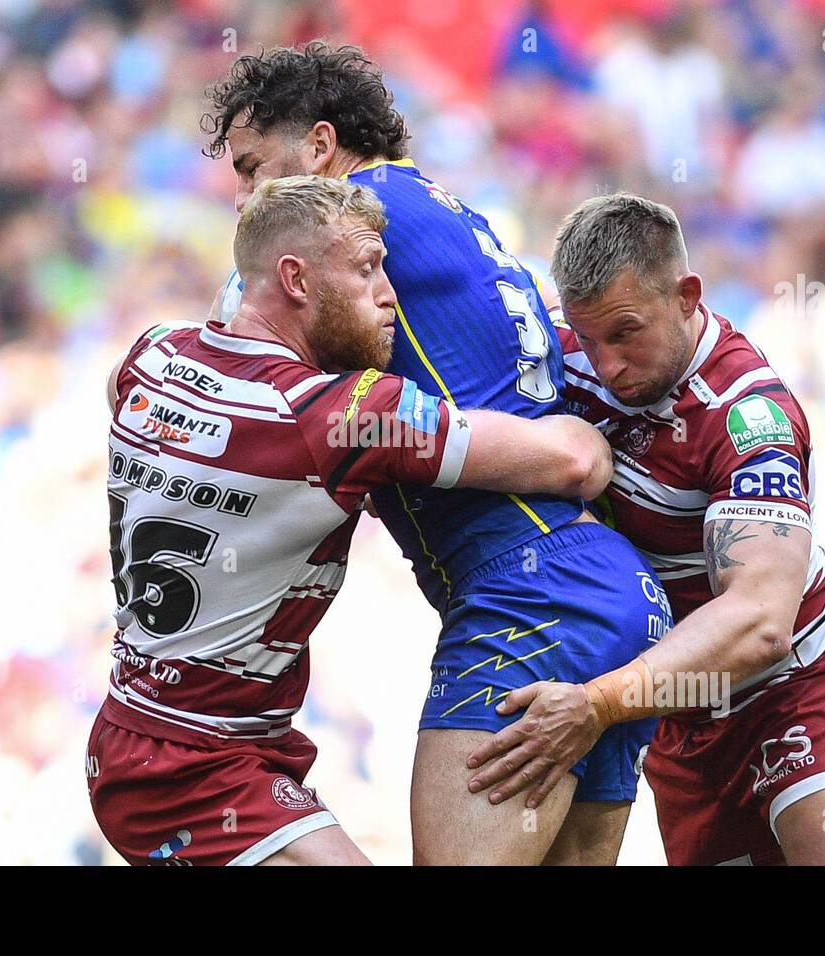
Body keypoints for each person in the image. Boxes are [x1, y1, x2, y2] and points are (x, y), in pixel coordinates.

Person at [202, 43, 671, 865]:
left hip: (528, 596)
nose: (244, 199)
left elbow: (224, 364)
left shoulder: (339, 225)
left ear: (318, 148)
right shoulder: (441, 206)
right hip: (601, 589)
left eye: (251, 169)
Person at [85, 174, 613, 866]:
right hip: (192, 768)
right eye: (367, 271)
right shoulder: (341, 416)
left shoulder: (151, 354)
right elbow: (576, 462)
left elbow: (128, 389)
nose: (391, 295)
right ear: (296, 279)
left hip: (154, 733)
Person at [466, 193, 825, 866]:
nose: (606, 364)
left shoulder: (747, 414)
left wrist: (595, 704)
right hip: (679, 709)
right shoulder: (562, 351)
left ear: (687, 295)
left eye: (626, 333)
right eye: (588, 338)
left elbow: (760, 622)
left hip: (799, 689)